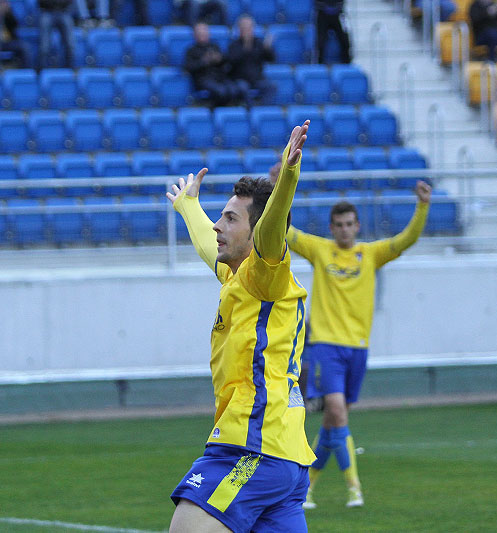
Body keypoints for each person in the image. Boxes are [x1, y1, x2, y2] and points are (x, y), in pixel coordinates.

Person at [166, 120, 316, 532]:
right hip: (283, 456)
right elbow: (205, 244)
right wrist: (188, 205)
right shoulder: (239, 278)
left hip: (251, 449)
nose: (218, 225)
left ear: (258, 232)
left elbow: (271, 229)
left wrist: (287, 176)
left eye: (231, 218)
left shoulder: (266, 273)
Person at [287, 181, 431, 509]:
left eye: (349, 224)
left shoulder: (370, 254)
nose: (344, 230)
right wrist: (279, 188)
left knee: (333, 423)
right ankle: (355, 488)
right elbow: (287, 231)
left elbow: (405, 240)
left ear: (358, 226)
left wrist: (422, 207)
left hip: (358, 349)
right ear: (331, 228)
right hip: (325, 346)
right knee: (336, 412)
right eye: (338, 225)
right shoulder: (320, 250)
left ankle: (305, 489)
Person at [184, 23, 247, 107]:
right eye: (200, 33)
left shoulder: (214, 46)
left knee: (234, 89)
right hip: (203, 79)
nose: (203, 35)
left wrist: (219, 59)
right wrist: (204, 62)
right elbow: (188, 67)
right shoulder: (191, 50)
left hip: (219, 77)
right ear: (195, 35)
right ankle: (215, 110)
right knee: (221, 91)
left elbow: (225, 62)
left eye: (204, 33)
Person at [227, 15, 275, 104]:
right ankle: (250, 110)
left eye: (249, 28)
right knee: (242, 88)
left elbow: (271, 59)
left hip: (257, 79)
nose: (247, 31)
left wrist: (268, 49)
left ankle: (262, 109)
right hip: (240, 79)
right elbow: (231, 61)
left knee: (271, 86)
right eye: (244, 28)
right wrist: (245, 48)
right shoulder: (234, 45)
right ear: (239, 29)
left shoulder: (259, 44)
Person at [38, 0, 76, 68]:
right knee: (44, 45)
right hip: (47, 11)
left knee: (70, 44)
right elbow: (40, 2)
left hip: (63, 11)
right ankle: (43, 69)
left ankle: (70, 69)